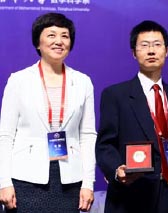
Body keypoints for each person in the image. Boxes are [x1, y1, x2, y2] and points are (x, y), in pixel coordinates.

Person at [0, 13, 96, 212]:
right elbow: (5, 135)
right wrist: (3, 181)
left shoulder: (82, 82)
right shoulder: (18, 80)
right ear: (38, 42)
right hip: (25, 178)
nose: (59, 41)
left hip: (69, 179)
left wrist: (88, 182)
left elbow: (87, 136)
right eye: (51, 35)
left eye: (65, 36)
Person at [95, 20, 168, 213]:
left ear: (167, 51)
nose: (151, 51)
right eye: (144, 45)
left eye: (157, 45)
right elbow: (105, 145)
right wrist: (116, 169)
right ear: (134, 53)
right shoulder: (115, 95)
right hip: (132, 196)